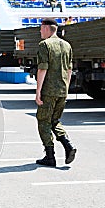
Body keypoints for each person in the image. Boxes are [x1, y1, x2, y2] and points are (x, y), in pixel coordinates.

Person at [35, 18, 77, 167]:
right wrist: (66, 87)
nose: (40, 31)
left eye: (41, 28)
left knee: (43, 121)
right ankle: (68, 145)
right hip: (62, 90)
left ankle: (50, 156)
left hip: (49, 91)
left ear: (47, 29)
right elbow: (69, 69)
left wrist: (38, 91)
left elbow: (42, 68)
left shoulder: (44, 45)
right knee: (55, 121)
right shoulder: (67, 45)